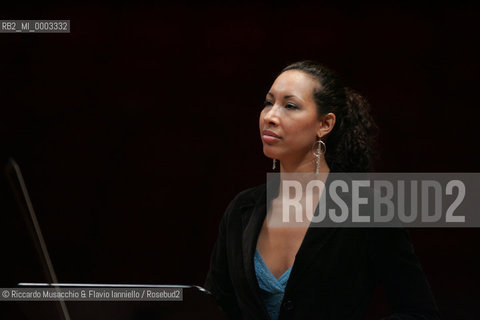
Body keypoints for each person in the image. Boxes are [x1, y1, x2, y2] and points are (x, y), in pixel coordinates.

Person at [204, 60, 441, 320]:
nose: (270, 116)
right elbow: (216, 305)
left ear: (325, 124)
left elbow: (419, 313)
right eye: (268, 102)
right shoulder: (242, 209)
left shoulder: (367, 208)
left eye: (290, 105)